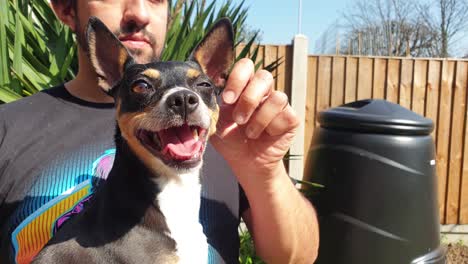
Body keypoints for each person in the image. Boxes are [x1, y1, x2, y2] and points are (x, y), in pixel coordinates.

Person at [0, 0, 319, 263]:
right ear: (65, 8)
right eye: (143, 86)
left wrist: (264, 171)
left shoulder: (234, 135)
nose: (139, 12)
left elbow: (297, 258)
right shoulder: (8, 127)